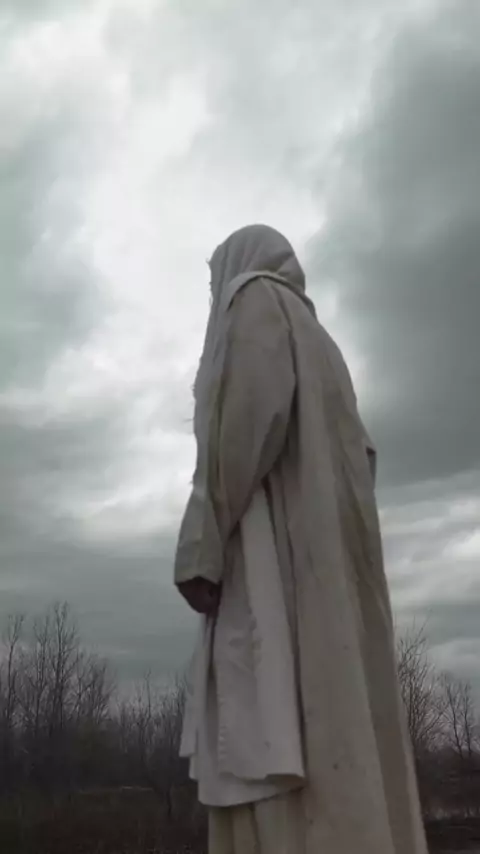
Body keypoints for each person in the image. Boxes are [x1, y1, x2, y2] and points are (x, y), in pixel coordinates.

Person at [174, 224, 428, 854]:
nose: (216, 294)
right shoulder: (322, 343)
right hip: (324, 579)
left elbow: (241, 431)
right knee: (332, 727)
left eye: (214, 280)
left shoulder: (254, 299)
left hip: (271, 563)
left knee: (266, 724)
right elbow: (361, 460)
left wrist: (201, 547)